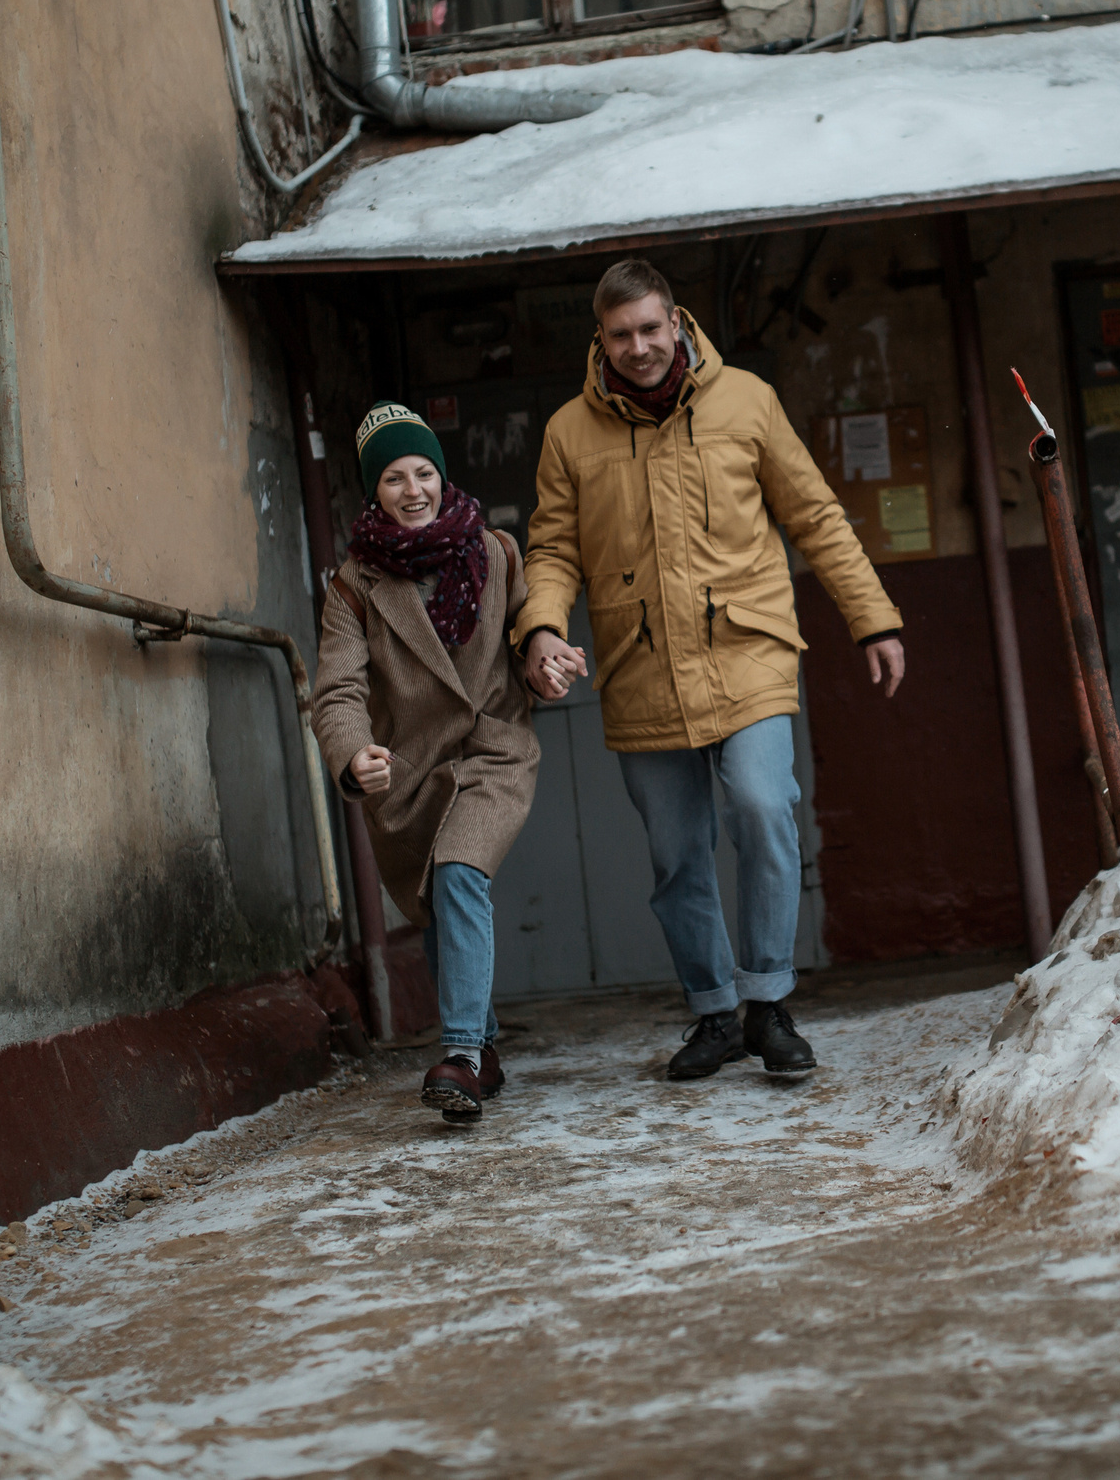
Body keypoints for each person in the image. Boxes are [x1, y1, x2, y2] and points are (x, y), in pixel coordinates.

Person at [515, 259, 906, 1081]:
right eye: (620, 335)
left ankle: (768, 1003)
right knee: (677, 855)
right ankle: (714, 1012)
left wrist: (872, 618)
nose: (639, 347)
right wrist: (541, 628)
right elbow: (551, 548)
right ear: (601, 339)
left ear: (676, 321)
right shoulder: (568, 433)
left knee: (764, 805)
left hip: (747, 651)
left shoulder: (747, 401)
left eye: (650, 328)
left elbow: (814, 514)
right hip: (640, 666)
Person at [311, 403, 539, 1121]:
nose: (413, 490)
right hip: (410, 769)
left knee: (460, 874)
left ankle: (463, 1053)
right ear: (373, 491)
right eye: (393, 478)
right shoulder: (355, 585)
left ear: (441, 476)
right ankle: (485, 1048)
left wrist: (546, 652)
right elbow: (337, 689)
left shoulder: (496, 552)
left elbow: (530, 624)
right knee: (440, 900)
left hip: (493, 747)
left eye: (423, 472)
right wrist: (353, 753)